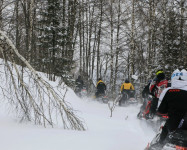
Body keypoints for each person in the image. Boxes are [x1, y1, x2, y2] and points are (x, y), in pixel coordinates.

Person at [155, 69, 187, 146]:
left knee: (164, 133)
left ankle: (159, 145)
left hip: (173, 125)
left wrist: (160, 112)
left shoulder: (168, 91)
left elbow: (161, 110)